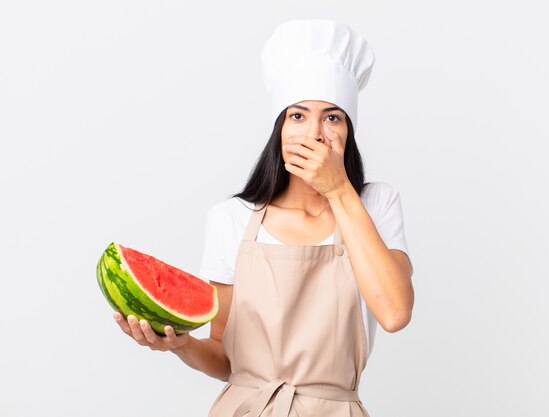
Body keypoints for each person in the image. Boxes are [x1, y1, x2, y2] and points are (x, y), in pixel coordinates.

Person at [112, 19, 414, 416]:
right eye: (298, 116)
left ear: (348, 130)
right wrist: (181, 344)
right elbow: (225, 358)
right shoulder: (231, 218)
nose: (316, 134)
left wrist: (339, 190)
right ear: (279, 128)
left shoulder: (375, 204)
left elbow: (394, 312)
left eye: (333, 117)